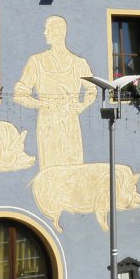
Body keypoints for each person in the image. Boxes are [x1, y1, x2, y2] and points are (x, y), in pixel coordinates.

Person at [13, 16, 97, 170]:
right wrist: (41, 104)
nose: (45, 33)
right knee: (50, 170)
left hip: (71, 122)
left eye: (49, 29)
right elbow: (19, 93)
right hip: (48, 122)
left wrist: (82, 106)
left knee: (74, 169)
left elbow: (92, 89)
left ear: (61, 32)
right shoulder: (36, 61)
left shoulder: (79, 63)